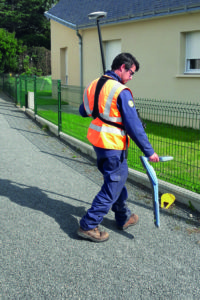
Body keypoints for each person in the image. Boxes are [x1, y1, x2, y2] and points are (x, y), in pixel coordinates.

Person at [77, 53, 159, 242]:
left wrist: (99, 102)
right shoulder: (120, 90)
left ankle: (123, 216)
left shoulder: (94, 85)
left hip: (98, 141)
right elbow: (134, 127)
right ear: (122, 67)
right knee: (112, 185)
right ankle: (88, 225)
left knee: (116, 181)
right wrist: (149, 151)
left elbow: (83, 111)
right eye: (131, 73)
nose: (131, 77)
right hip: (113, 145)